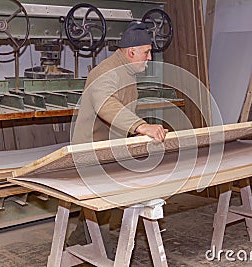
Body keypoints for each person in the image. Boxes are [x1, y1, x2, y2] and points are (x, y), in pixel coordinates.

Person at [67, 21, 168, 257]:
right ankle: (107, 255)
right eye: (146, 52)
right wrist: (141, 127)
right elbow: (106, 104)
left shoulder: (127, 71)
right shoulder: (106, 72)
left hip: (109, 146)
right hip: (91, 148)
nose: (149, 57)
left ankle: (76, 242)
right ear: (131, 52)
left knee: (103, 203)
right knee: (104, 200)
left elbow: (125, 109)